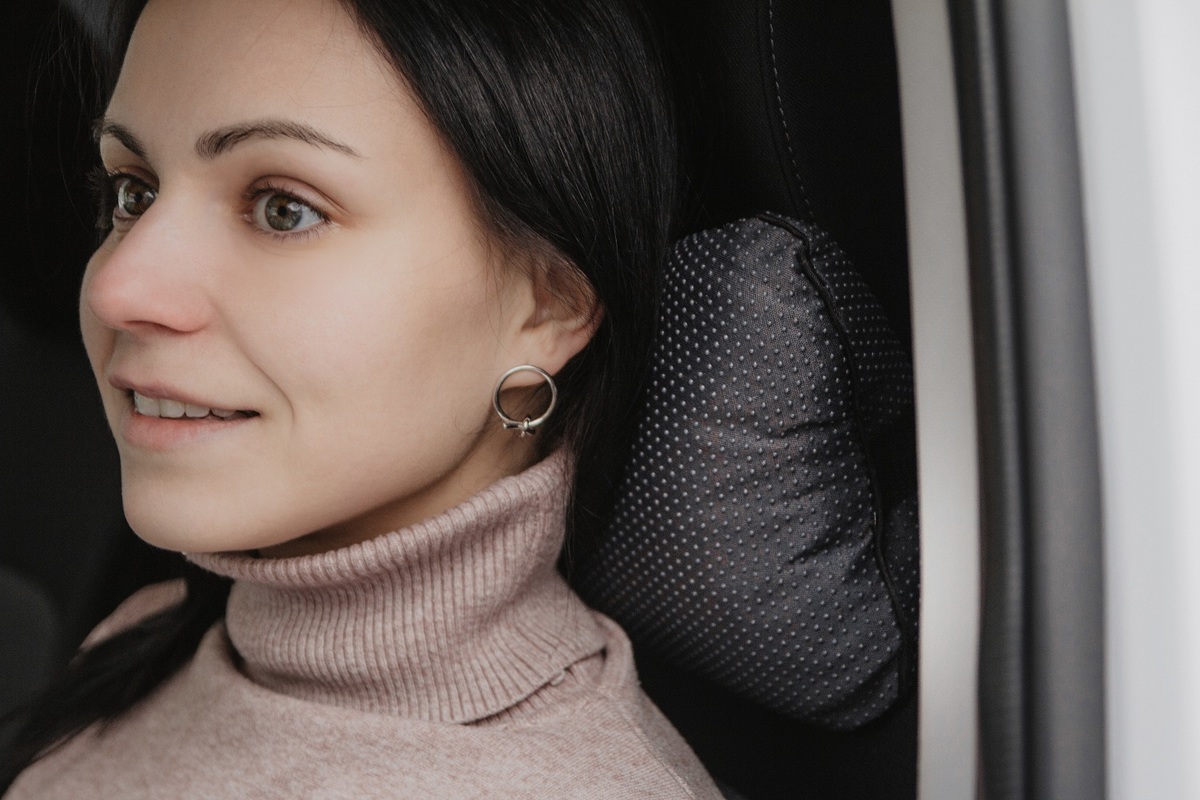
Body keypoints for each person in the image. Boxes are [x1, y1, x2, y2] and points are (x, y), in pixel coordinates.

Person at [2, 0, 722, 796]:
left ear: (546, 306)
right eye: (133, 193)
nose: (118, 287)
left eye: (283, 210)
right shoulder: (146, 640)